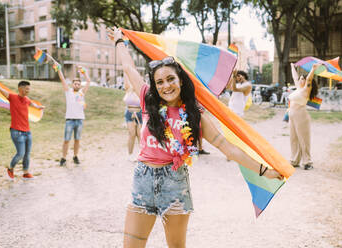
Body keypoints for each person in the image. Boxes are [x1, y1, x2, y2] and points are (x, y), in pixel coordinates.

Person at [108, 27, 283, 248]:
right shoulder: (147, 100)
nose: (166, 86)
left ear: (181, 80)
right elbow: (127, 67)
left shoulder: (195, 116)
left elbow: (228, 148)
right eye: (159, 82)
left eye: (170, 79)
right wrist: (119, 42)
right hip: (143, 180)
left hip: (175, 184)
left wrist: (265, 170)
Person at [0, 73, 45, 179]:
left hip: (27, 132)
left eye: (29, 89)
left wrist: (39, 107)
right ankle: (11, 168)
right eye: (27, 89)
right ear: (20, 88)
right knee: (20, 154)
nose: (28, 91)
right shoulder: (12, 97)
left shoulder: (26, 99)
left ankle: (25, 172)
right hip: (16, 132)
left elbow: (33, 104)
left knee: (27, 154)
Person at [55, 64, 91, 166]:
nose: (77, 85)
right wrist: (59, 69)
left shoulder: (81, 93)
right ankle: (63, 158)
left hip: (79, 120)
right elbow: (62, 79)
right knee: (66, 140)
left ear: (80, 85)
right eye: (75, 83)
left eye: (78, 84)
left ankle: (75, 156)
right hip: (69, 120)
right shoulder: (68, 92)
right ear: (72, 84)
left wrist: (83, 72)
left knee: (77, 140)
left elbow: (88, 81)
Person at [289, 62, 320, 170]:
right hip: (292, 115)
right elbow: (295, 76)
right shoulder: (298, 88)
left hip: (301, 115)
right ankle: (294, 160)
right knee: (293, 138)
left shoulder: (306, 90)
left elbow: (309, 79)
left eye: (303, 78)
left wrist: (313, 69)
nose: (300, 79)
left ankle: (308, 162)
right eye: (301, 78)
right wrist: (293, 67)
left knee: (303, 139)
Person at [123, 73, 142, 162]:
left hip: (140, 113)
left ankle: (142, 155)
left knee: (140, 135)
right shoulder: (128, 88)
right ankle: (130, 155)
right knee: (132, 134)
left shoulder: (141, 90)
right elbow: (126, 75)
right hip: (129, 113)